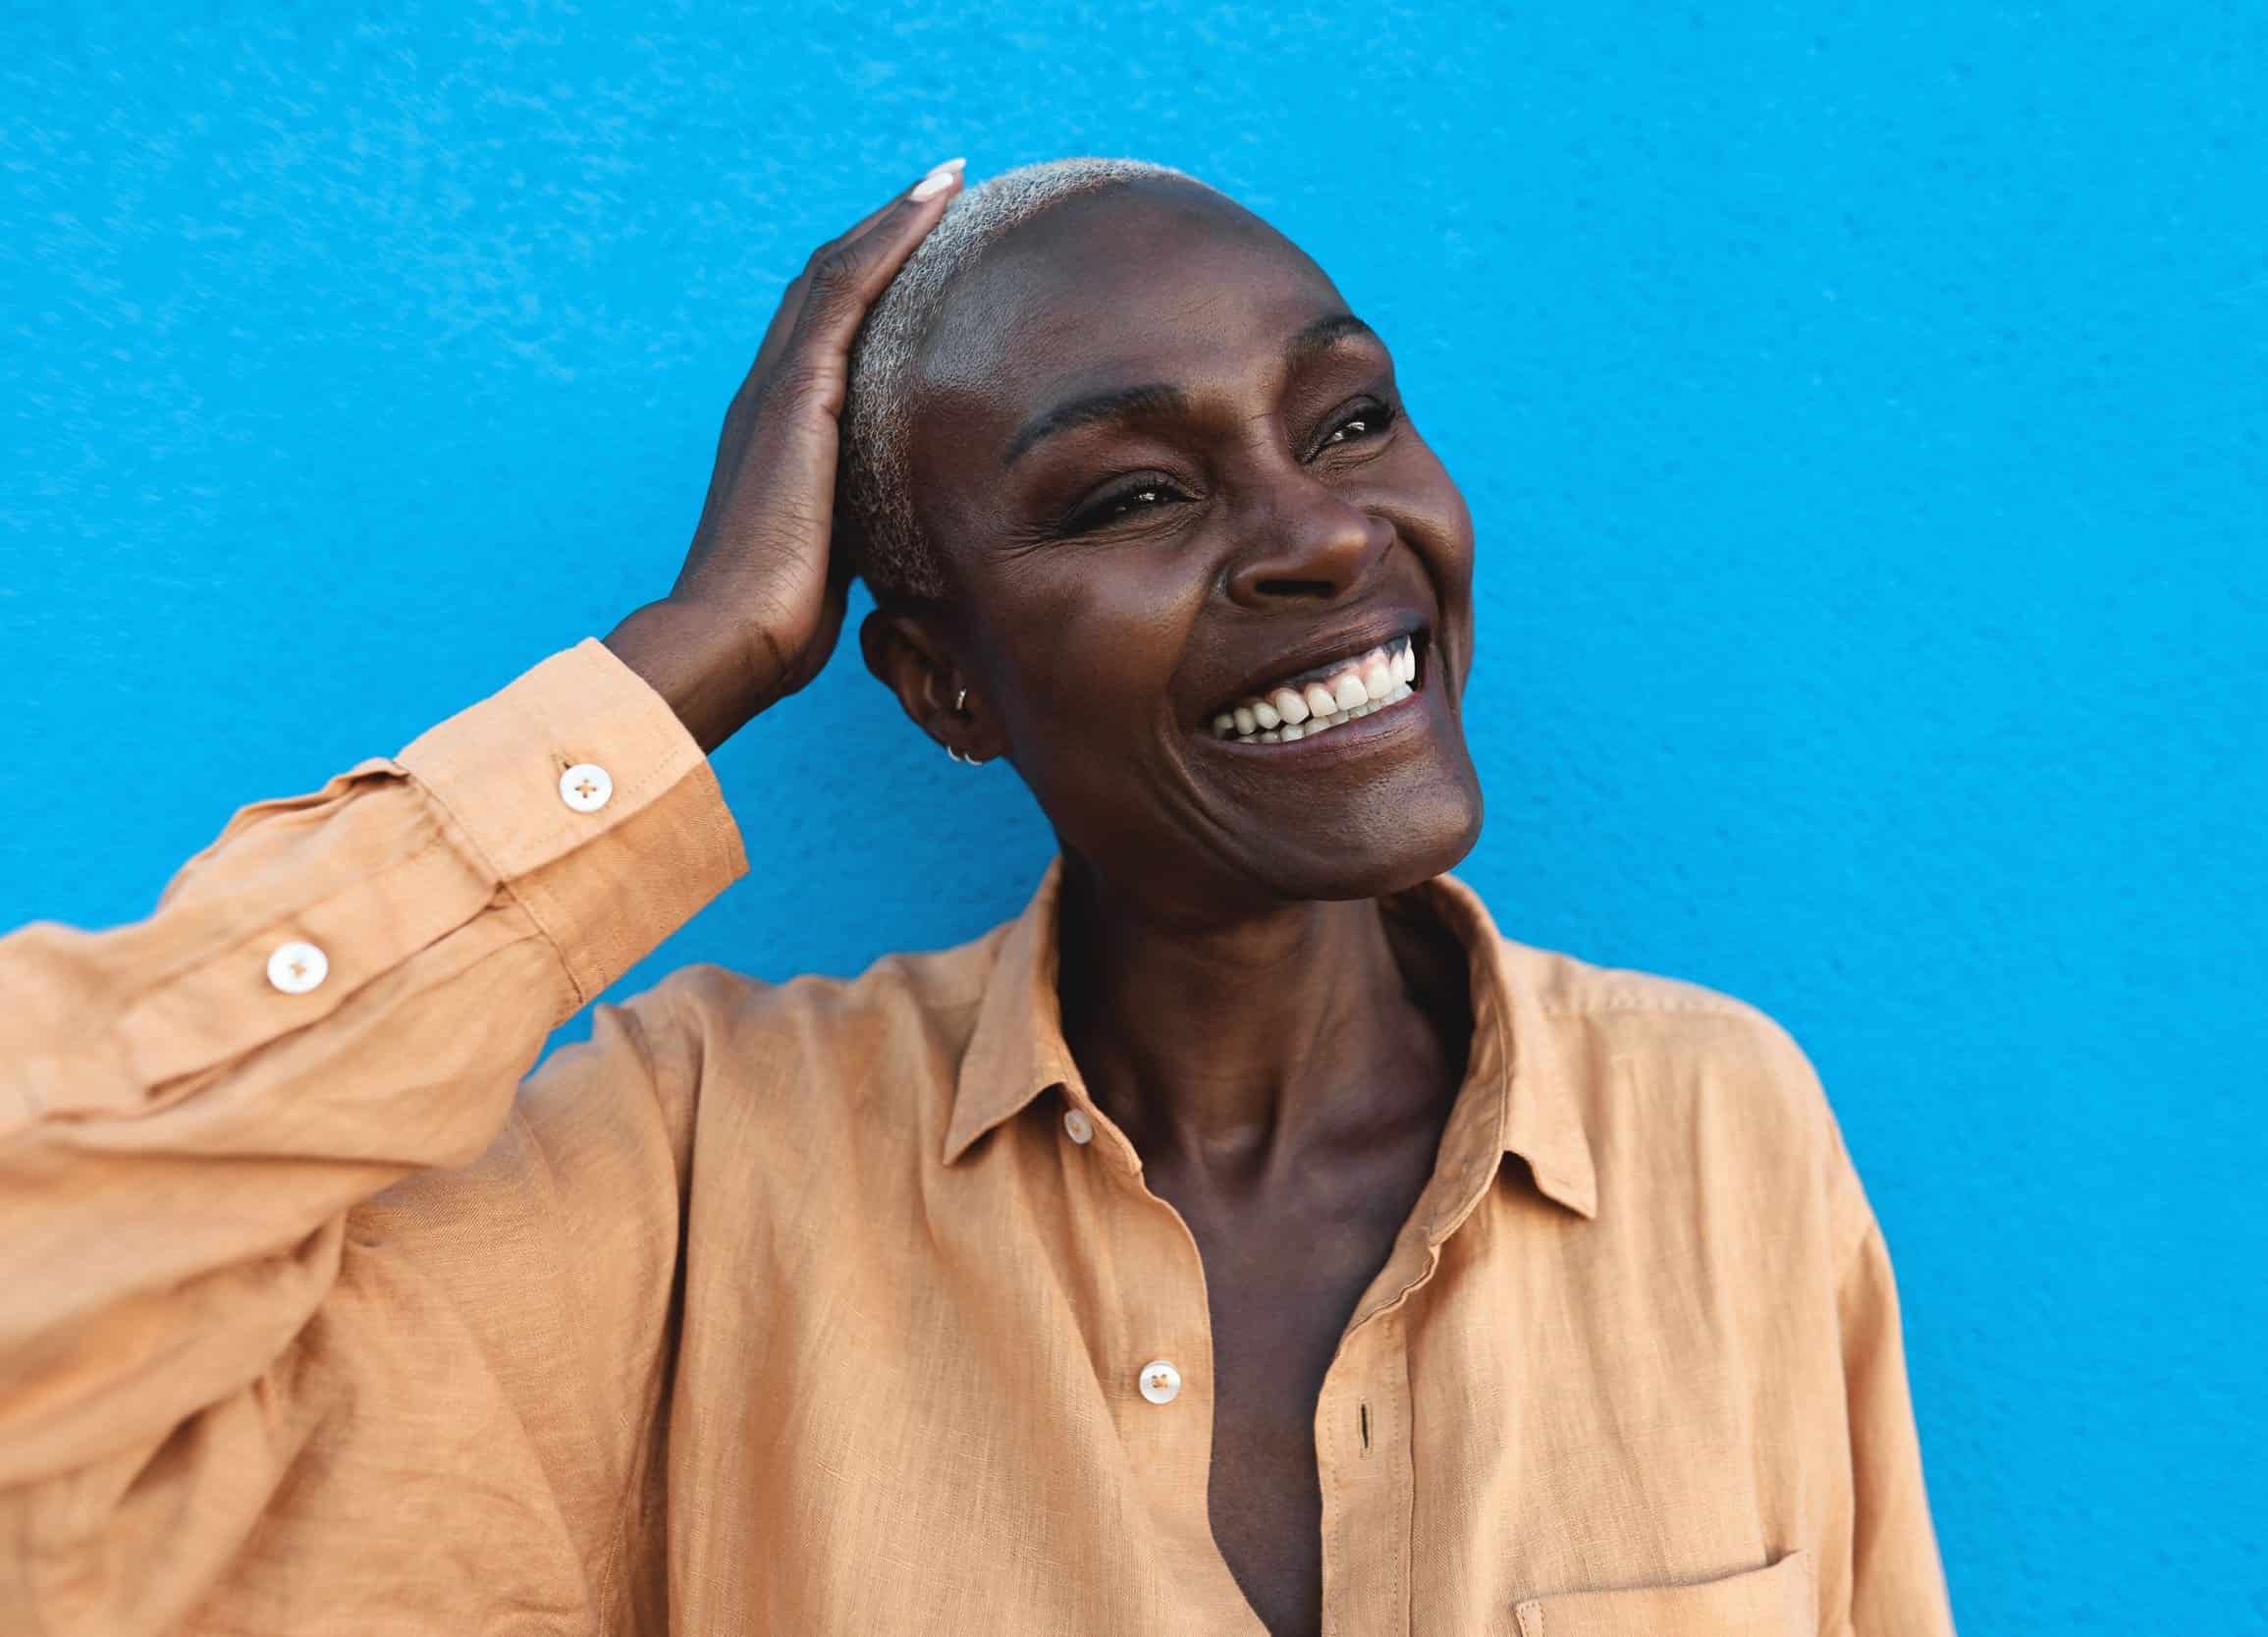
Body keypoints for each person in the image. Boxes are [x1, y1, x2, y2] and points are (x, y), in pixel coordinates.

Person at [0, 155, 1956, 1636]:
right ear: (943, 681)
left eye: (1348, 418)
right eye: (1130, 497)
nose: (1319, 536)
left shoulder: (1721, 1127)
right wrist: (688, 663)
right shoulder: (695, 1179)